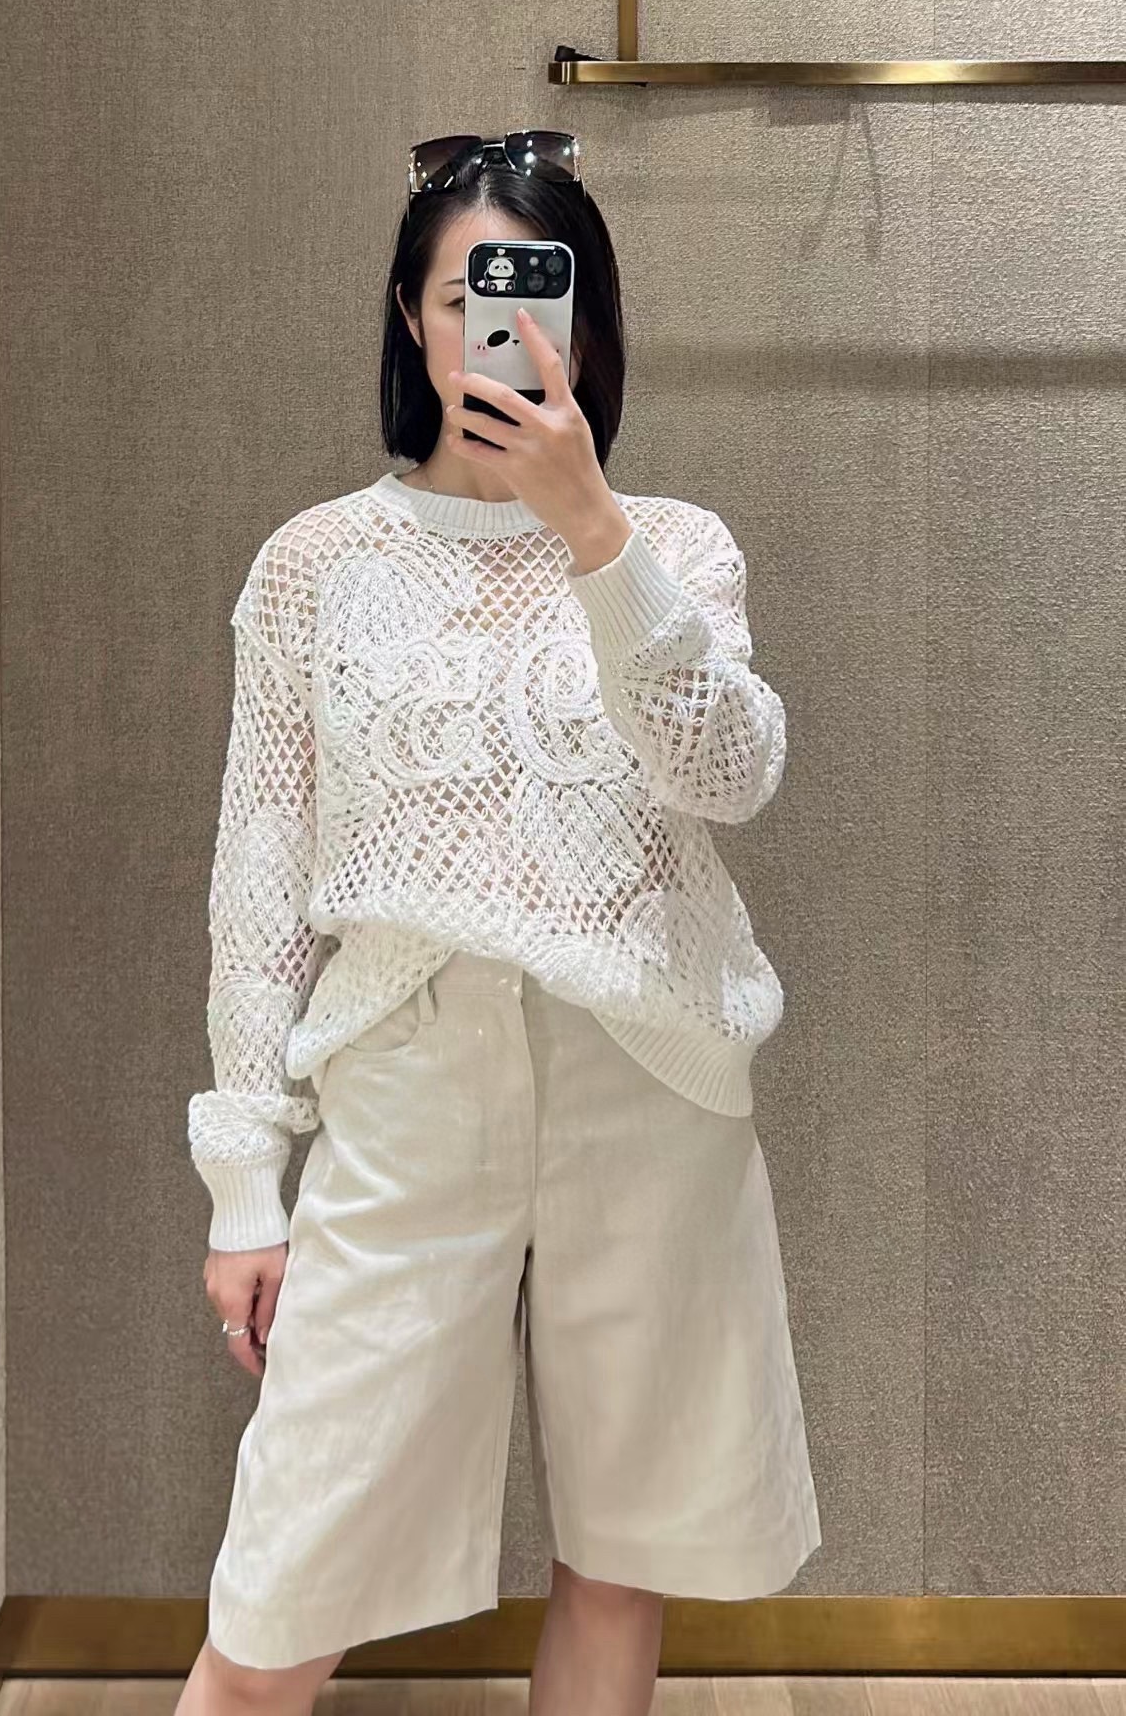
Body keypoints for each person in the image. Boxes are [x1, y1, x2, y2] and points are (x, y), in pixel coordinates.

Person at [177, 131, 821, 1716]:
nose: (505, 327)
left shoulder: (675, 544)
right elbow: (259, 876)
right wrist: (246, 1183)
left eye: (540, 293)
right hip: (408, 1083)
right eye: (470, 294)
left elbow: (731, 773)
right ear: (414, 318)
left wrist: (595, 531)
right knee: (279, 1593)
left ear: (588, 324)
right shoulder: (317, 565)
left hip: (648, 1077)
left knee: (620, 1553)